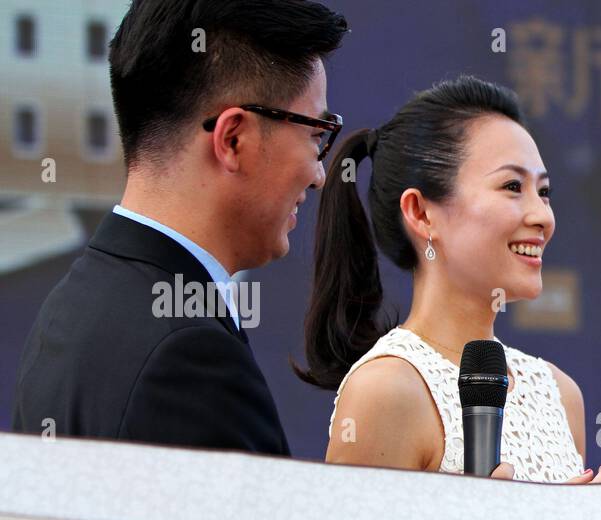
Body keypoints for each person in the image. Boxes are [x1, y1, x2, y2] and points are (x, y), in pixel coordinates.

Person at [11, 0, 348, 454]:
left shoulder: (74, 303)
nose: (319, 173)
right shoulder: (189, 355)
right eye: (316, 134)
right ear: (233, 139)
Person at [298, 76, 601, 483]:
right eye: (512, 186)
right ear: (422, 214)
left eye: (545, 191)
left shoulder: (559, 393)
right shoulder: (387, 390)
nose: (542, 217)